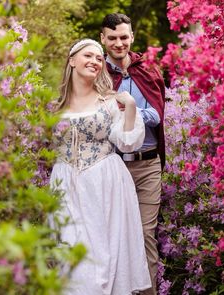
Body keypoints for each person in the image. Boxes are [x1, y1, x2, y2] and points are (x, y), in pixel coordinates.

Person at [50, 38, 152, 295]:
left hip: (104, 186)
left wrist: (130, 106)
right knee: (71, 263)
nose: (95, 61)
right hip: (65, 189)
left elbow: (128, 144)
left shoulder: (110, 102)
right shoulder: (54, 106)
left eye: (99, 58)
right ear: (72, 61)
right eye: (88, 55)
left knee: (102, 267)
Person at [100, 14, 165, 295]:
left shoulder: (147, 72)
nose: (119, 43)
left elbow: (158, 114)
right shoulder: (96, 73)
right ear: (103, 38)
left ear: (132, 37)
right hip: (112, 166)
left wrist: (131, 111)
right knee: (113, 236)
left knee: (144, 234)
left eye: (124, 37)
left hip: (147, 165)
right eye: (112, 37)